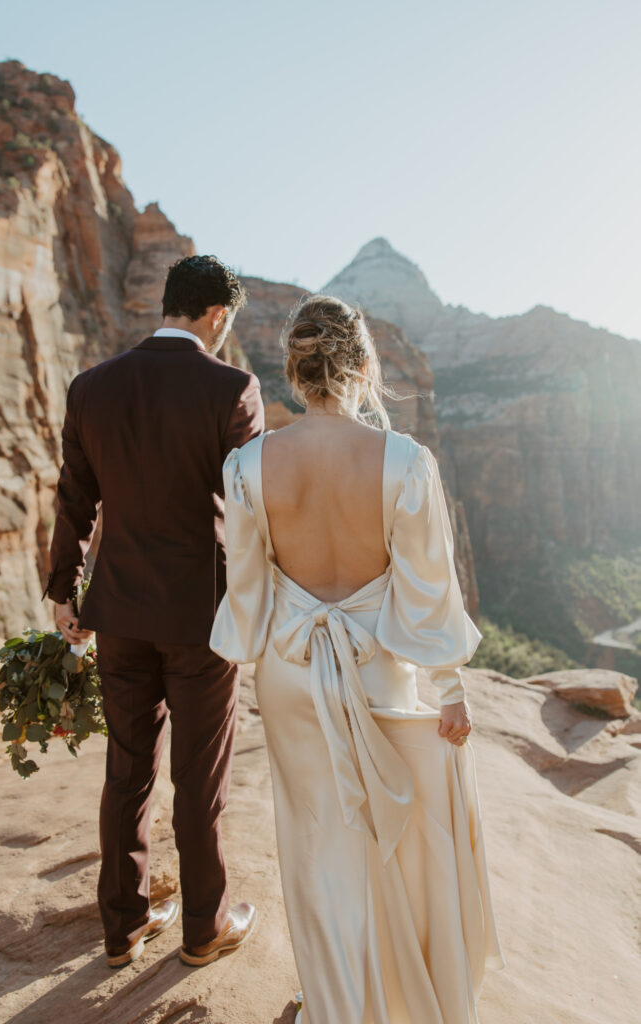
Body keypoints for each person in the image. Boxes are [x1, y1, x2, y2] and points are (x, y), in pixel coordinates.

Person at [210, 294, 506, 1023]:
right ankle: (401, 997)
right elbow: (428, 590)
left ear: (291, 369)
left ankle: (337, 1001)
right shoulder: (404, 461)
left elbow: (245, 591)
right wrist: (449, 688)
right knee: (396, 838)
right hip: (380, 667)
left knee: (316, 843)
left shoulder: (246, 466)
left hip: (290, 670)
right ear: (363, 365)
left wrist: (249, 653)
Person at [43, 255, 263, 969]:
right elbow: (255, 508)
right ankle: (204, 926)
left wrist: (61, 591)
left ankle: (123, 925)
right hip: (202, 619)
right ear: (216, 316)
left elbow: (75, 497)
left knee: (126, 771)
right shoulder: (230, 387)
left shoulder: (91, 387)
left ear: (166, 304)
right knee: (199, 781)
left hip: (119, 614)